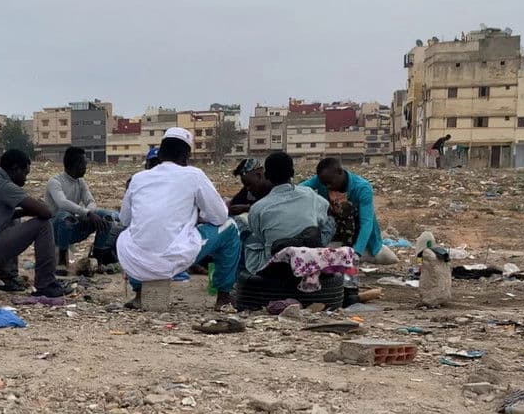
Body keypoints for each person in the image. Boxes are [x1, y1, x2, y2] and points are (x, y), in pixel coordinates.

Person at [116, 127, 240, 310]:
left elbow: (125, 220)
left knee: (130, 234)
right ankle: (224, 297)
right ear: (185, 157)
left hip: (136, 261)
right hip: (174, 258)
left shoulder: (138, 178)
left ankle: (139, 294)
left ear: (160, 155)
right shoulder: (194, 175)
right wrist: (199, 217)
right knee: (230, 228)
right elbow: (220, 216)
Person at [0, 148, 70, 298]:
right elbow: (47, 213)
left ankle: (8, 277)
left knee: (13, 216)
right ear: (15, 169)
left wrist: (25, 211)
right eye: (25, 174)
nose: (25, 179)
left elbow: (2, 215)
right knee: (43, 225)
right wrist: (36, 207)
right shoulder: (4, 186)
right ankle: (46, 284)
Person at [243, 152, 334, 275]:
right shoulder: (310, 194)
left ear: (267, 175)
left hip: (275, 266)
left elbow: (260, 237)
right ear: (292, 173)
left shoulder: (257, 208)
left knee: (249, 236)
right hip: (307, 258)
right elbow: (327, 211)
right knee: (329, 222)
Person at [301, 158, 397, 265]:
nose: (327, 186)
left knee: (382, 256)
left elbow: (366, 223)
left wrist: (357, 253)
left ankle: (359, 251)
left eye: (330, 183)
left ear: (340, 172)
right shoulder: (323, 180)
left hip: (356, 234)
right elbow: (299, 189)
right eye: (324, 184)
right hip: (333, 232)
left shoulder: (362, 188)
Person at [47, 147, 121, 274]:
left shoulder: (80, 182)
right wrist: (86, 213)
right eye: (84, 164)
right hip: (55, 230)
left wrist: (88, 213)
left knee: (106, 217)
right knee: (65, 216)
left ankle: (97, 259)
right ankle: (62, 262)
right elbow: (62, 203)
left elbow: (91, 201)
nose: (86, 167)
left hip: (73, 226)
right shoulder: (54, 182)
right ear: (74, 165)